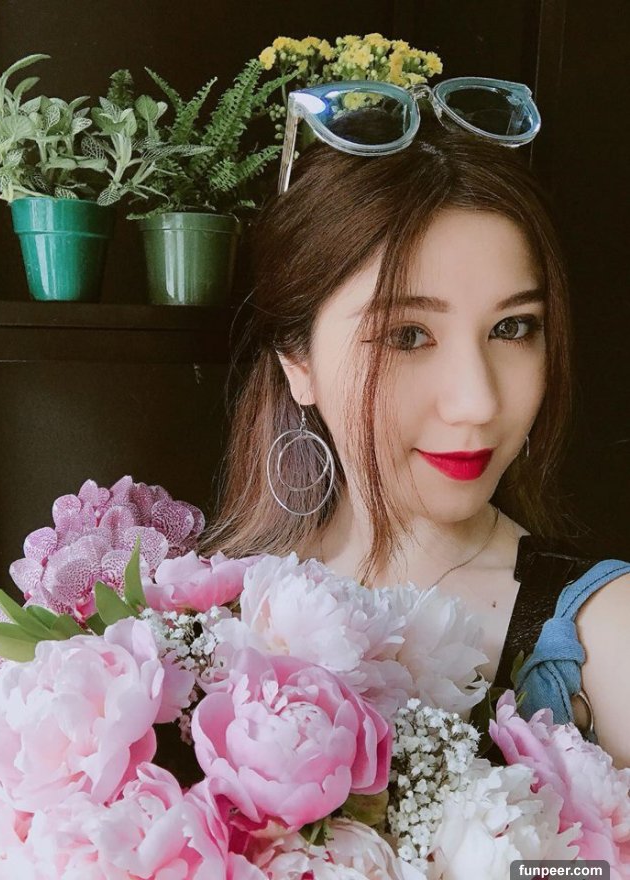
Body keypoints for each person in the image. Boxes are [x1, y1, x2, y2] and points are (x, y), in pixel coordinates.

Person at [196, 82, 630, 767]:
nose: (477, 402)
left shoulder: (606, 633)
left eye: (513, 328)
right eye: (406, 336)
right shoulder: (197, 622)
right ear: (298, 362)